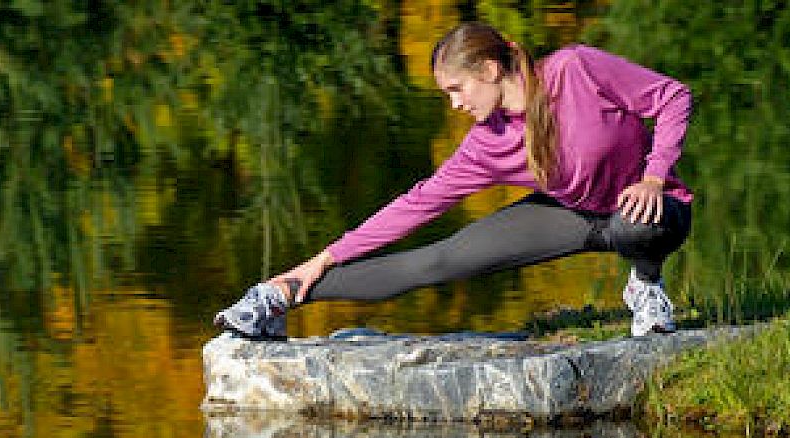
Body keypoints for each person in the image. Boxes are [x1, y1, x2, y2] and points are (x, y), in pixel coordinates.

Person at [214, 23, 693, 339]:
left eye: (456, 89)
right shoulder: (488, 142)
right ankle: (279, 298)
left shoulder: (575, 70)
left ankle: (645, 286)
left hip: (652, 206)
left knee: (640, 226)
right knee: (438, 260)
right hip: (573, 215)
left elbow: (672, 97)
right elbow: (415, 206)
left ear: (488, 69)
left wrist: (653, 176)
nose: (455, 104)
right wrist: (321, 260)